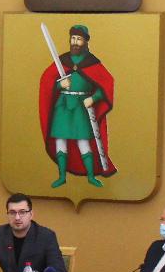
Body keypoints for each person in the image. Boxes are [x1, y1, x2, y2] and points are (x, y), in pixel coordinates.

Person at [39, 24, 117, 187]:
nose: (75, 42)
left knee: (83, 141)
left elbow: (106, 84)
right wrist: (60, 85)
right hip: (63, 106)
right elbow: (47, 81)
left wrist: (94, 98)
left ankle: (90, 176)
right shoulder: (62, 61)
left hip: (82, 107)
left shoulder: (93, 63)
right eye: (73, 38)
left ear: (85, 42)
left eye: (79, 39)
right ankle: (62, 176)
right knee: (61, 140)